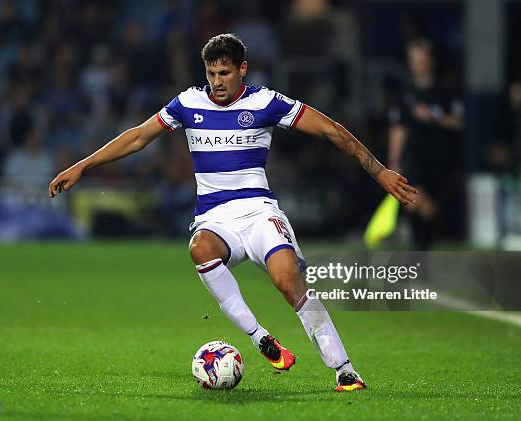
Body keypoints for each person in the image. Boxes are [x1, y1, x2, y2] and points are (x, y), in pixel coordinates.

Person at [49, 34, 417, 392]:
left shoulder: (266, 103)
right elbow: (137, 136)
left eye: (224, 73)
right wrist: (83, 165)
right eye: (210, 73)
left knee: (288, 282)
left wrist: (379, 171)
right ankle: (262, 340)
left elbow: (332, 132)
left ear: (243, 69)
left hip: (259, 213)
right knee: (199, 248)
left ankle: (344, 370)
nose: (216, 82)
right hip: (214, 219)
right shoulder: (188, 103)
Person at [388, 38, 463, 249]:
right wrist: (393, 161)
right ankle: (417, 252)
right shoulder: (405, 94)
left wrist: (434, 117)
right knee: (417, 204)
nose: (417, 66)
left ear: (430, 61)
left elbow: (460, 123)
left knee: (430, 211)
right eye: (414, 61)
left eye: (421, 61)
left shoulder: (446, 91)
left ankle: (420, 251)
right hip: (414, 159)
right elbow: (398, 129)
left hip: (441, 160)